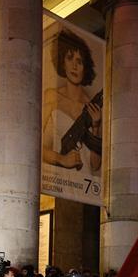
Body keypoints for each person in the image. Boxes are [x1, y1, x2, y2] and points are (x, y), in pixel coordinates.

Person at [42, 27, 101, 174]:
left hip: (84, 182)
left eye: (79, 61)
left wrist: (95, 126)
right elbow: (38, 146)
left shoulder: (92, 107)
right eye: (69, 58)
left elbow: (95, 165)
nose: (74, 66)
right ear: (62, 62)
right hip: (59, 180)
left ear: (85, 68)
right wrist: (62, 159)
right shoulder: (52, 96)